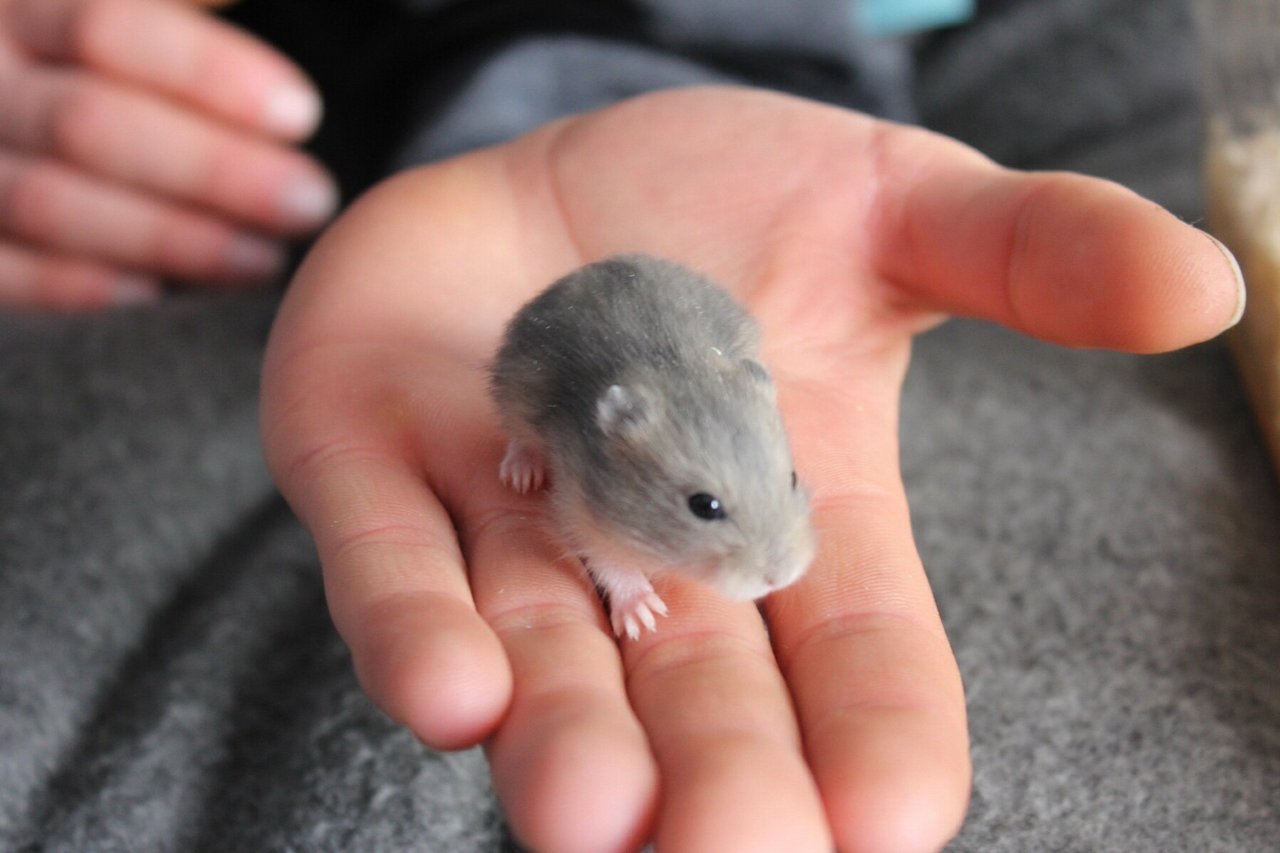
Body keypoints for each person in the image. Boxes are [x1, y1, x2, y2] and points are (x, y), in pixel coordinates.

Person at [0, 1, 1245, 851]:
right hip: (334, 107)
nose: (768, 555)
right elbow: (574, 504)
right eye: (710, 511)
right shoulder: (593, 449)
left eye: (777, 492)